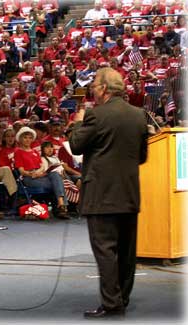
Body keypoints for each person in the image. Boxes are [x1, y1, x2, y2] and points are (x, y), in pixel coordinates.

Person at [69, 67, 148, 319]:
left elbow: (76, 145)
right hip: (128, 193)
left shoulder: (95, 115)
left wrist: (78, 120)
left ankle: (112, 304)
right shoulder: (138, 114)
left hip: (101, 195)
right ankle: (122, 298)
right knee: (126, 252)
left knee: (105, 251)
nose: (92, 89)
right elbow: (142, 156)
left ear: (103, 88)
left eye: (94, 85)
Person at [14, 126, 69, 218]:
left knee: (55, 174)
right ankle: (62, 206)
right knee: (58, 182)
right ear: (20, 139)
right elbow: (21, 171)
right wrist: (32, 174)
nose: (28, 140)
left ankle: (60, 203)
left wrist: (39, 173)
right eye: (25, 137)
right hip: (28, 178)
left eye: (30, 138)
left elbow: (42, 166)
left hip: (40, 175)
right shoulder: (18, 151)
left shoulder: (35, 151)